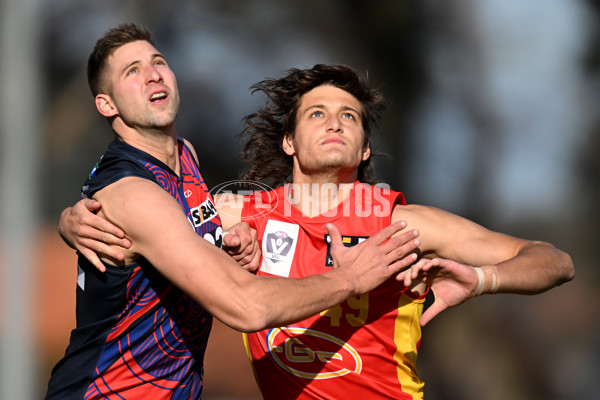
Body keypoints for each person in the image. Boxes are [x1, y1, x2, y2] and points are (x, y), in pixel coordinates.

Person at [59, 64, 574, 399]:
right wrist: (74, 216)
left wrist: (481, 279)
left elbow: (553, 260)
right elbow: (144, 205)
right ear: (289, 142)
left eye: (350, 116)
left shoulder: (400, 225)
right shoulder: (239, 215)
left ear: (365, 149)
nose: (335, 123)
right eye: (318, 114)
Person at [44, 25, 422, 400]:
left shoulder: (183, 156)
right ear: (106, 105)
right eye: (132, 71)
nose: (153, 74)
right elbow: (246, 306)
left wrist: (230, 246)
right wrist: (350, 279)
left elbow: (181, 239)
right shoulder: (134, 194)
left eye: (157, 62)